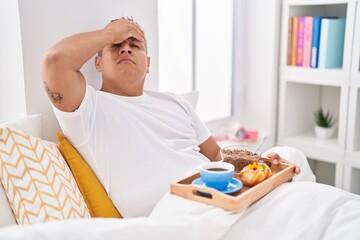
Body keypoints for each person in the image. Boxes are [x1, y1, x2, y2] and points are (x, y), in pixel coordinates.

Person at [41, 17, 305, 218]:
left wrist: (257, 165)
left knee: (291, 157)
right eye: (115, 45)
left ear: (149, 62)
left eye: (135, 45)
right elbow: (55, 62)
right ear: (97, 63)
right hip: (174, 212)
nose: (126, 49)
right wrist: (112, 31)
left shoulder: (174, 102)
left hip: (223, 195)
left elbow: (217, 158)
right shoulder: (88, 108)